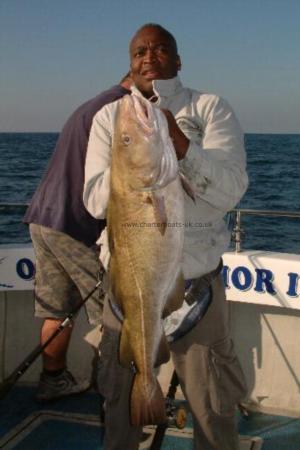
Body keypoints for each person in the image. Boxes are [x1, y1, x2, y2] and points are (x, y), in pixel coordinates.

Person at [83, 24, 248, 450]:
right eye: (139, 51)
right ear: (130, 63)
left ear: (177, 60)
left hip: (198, 289)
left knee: (212, 407)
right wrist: (137, 172)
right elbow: (94, 201)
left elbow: (229, 192)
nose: (148, 56)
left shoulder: (211, 109)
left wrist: (182, 148)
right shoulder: (111, 117)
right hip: (127, 285)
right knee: (120, 402)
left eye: (160, 49)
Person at [23, 74, 132, 402]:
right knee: (112, 313)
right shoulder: (122, 110)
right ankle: (114, 396)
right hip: (76, 225)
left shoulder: (91, 105)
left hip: (44, 218)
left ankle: (53, 380)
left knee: (56, 309)